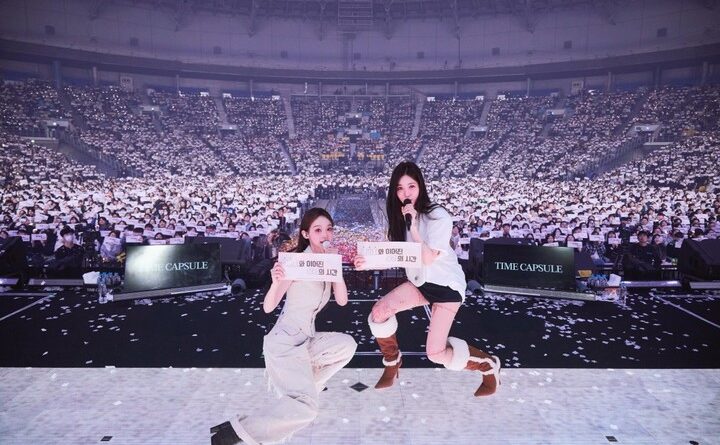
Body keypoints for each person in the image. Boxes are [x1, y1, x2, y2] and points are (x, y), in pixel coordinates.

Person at [210, 208, 357, 445]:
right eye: (318, 230)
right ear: (306, 234)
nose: (325, 235)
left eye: (329, 229)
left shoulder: (328, 263)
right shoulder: (296, 263)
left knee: (347, 345)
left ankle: (309, 384)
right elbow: (269, 307)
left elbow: (342, 301)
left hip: (306, 341)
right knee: (307, 408)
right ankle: (233, 433)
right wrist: (275, 282)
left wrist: (336, 270)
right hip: (285, 342)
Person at [354, 161, 500, 397]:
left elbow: (428, 257)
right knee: (379, 312)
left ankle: (488, 365)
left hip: (446, 287)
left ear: (421, 186)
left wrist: (413, 227)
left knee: (436, 353)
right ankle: (392, 363)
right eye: (400, 188)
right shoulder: (400, 218)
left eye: (411, 186)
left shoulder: (438, 216)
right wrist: (367, 262)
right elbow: (398, 255)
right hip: (421, 283)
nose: (406, 193)